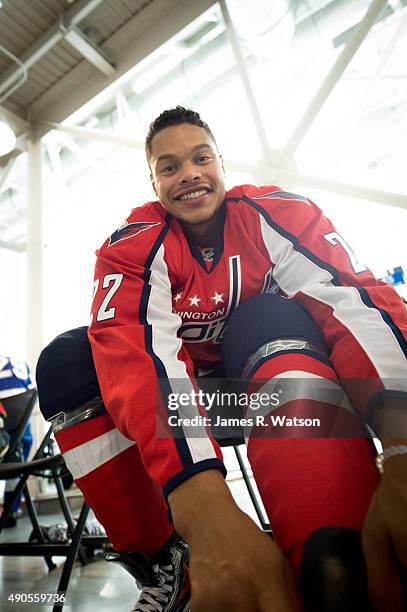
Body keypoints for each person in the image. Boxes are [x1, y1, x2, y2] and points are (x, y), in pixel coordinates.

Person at [37, 107, 407, 612]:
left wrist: (403, 444)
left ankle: (330, 542)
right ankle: (171, 560)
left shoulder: (277, 213)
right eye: (168, 167)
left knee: (269, 315)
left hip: (268, 383)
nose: (188, 173)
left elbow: (352, 300)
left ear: (222, 167)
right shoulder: (131, 246)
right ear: (154, 184)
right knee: (65, 360)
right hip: (187, 407)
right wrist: (204, 513)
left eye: (200, 158)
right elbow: (139, 355)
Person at [0, 354, 34, 527]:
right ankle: (11, 509)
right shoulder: (17, 362)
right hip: (21, 433)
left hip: (3, 433)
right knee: (16, 455)